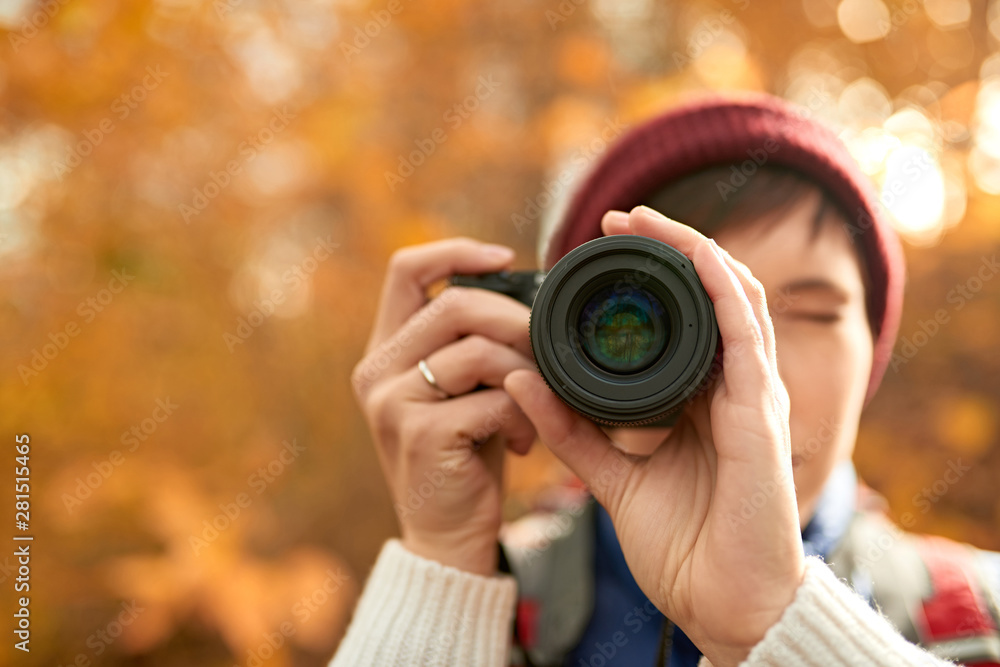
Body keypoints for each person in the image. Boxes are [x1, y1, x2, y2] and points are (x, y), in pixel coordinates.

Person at [334, 94, 1000, 667]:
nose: (755, 371)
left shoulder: (985, 616)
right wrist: (442, 570)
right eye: (680, 318)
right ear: (564, 346)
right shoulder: (484, 610)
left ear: (872, 351)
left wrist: (777, 623)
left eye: (815, 314)